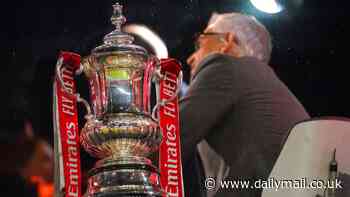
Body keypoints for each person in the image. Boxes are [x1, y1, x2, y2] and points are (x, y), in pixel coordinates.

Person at [180, 12, 310, 197]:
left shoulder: (222, 66)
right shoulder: (265, 85)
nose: (190, 58)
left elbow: (173, 136)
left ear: (227, 42)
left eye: (200, 43)